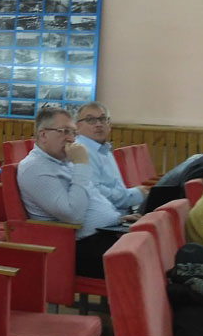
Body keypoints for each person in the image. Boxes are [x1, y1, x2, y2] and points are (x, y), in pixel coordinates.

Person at [17, 105, 135, 278]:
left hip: (104, 233)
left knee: (152, 237)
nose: (71, 139)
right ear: (43, 135)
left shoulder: (64, 162)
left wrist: (117, 219)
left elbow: (92, 196)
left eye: (73, 132)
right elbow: (73, 215)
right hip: (76, 248)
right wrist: (81, 165)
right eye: (64, 131)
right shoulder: (34, 168)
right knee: (144, 255)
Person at [73, 102, 147, 213]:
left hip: (121, 212)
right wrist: (135, 194)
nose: (98, 124)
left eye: (103, 119)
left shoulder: (104, 150)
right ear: (77, 127)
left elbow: (116, 188)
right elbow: (96, 194)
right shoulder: (80, 151)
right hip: (106, 218)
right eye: (90, 120)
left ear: (109, 125)